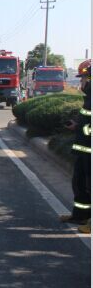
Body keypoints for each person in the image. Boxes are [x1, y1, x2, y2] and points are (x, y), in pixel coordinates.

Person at [59, 59, 91, 233]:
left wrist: (79, 127)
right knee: (80, 184)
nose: (81, 82)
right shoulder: (89, 96)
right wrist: (77, 124)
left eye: (83, 78)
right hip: (85, 150)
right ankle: (80, 215)